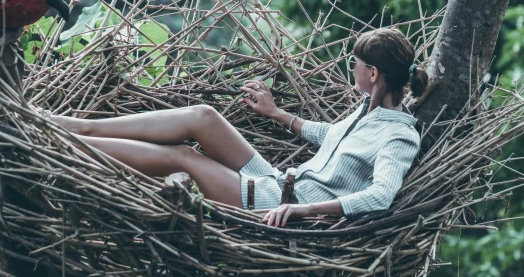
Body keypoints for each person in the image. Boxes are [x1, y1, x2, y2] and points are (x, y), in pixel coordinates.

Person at [46, 27, 427, 227]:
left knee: (185, 157)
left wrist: (305, 211)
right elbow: (334, 138)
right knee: (203, 116)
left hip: (279, 202)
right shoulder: (366, 109)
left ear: (372, 73)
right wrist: (277, 114)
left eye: (355, 64)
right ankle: (80, 127)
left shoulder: (399, 134)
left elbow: (380, 196)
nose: (352, 69)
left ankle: (68, 142)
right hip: (277, 181)